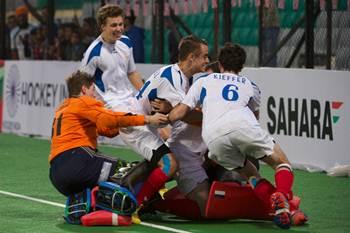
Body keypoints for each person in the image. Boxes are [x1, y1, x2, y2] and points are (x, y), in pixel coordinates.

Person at [168, 43, 295, 229]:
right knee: (282, 163)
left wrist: (164, 115)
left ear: (220, 64)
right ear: (242, 67)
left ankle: (278, 208)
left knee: (251, 174)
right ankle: (282, 198)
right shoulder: (252, 86)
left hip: (213, 137)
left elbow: (179, 113)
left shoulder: (203, 80)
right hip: (243, 126)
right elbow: (254, 117)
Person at [79, 4, 178, 214]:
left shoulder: (125, 42)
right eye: (113, 25)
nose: (119, 29)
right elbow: (83, 88)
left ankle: (140, 194)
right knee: (164, 157)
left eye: (121, 24)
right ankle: (135, 200)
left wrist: (146, 97)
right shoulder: (92, 54)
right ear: (102, 26)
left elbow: (132, 73)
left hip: (135, 103)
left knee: (168, 141)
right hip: (119, 114)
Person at [49, 70, 168, 197]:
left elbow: (106, 130)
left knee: (106, 178)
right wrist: (147, 119)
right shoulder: (82, 102)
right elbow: (109, 119)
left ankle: (89, 204)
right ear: (84, 89)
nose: (94, 95)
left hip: (57, 175)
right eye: (93, 90)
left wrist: (126, 123)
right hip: (77, 161)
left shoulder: (63, 109)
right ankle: (142, 203)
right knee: (130, 170)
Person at [135, 35, 210, 216]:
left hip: (151, 127)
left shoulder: (186, 77)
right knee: (170, 165)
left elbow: (178, 114)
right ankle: (137, 204)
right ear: (191, 57)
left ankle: (149, 195)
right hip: (138, 128)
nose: (208, 60)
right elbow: (187, 116)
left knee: (167, 163)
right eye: (204, 56)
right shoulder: (173, 80)